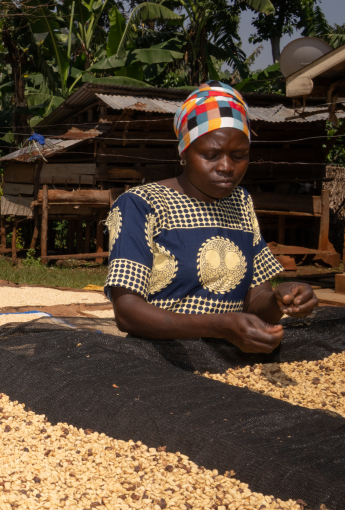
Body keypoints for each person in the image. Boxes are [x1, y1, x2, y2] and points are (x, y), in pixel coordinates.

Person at [104, 81, 318, 352]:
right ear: (184, 151)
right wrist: (221, 326)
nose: (227, 167)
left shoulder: (240, 202)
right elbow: (127, 312)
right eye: (211, 155)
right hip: (161, 360)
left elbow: (257, 298)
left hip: (231, 360)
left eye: (239, 155)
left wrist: (282, 300)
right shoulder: (142, 204)